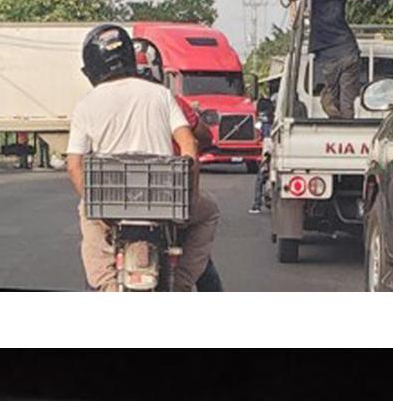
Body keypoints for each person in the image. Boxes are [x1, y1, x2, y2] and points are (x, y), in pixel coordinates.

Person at [66, 24, 220, 291]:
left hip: (110, 201)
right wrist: (190, 195)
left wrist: (93, 204)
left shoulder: (86, 104)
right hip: (166, 200)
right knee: (209, 212)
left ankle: (106, 285)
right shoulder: (161, 94)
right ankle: (182, 283)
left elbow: (74, 166)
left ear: (91, 67)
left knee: (86, 215)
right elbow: (189, 144)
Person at [291, 0, 393, 118]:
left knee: (330, 95)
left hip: (327, 53)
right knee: (347, 100)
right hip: (348, 49)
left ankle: (331, 104)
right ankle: (345, 118)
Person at [249, 91, 274, 214]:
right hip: (276, 147)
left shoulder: (262, 123)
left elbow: (259, 136)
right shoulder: (274, 120)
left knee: (260, 178)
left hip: (268, 149)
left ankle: (256, 205)